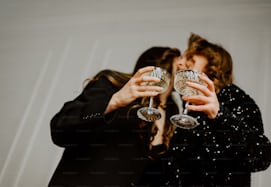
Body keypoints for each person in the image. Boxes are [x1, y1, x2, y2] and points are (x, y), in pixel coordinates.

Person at [48, 46, 181, 187]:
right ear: (162, 62)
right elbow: (60, 128)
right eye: (180, 60)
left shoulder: (173, 113)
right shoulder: (112, 83)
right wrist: (114, 101)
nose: (183, 65)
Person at [155, 33, 271, 186]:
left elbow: (262, 157)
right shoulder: (189, 111)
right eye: (182, 58)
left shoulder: (235, 98)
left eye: (190, 61)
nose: (180, 63)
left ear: (212, 72)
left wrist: (219, 115)